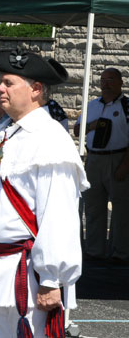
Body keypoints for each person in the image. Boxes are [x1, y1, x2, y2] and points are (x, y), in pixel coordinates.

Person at [0, 49, 88, 337]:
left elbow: (58, 215)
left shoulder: (50, 139)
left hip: (29, 275)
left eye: (8, 82)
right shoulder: (4, 132)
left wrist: (51, 278)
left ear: (35, 89)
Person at [74, 67, 129, 261]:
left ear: (120, 82)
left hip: (119, 158)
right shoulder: (92, 106)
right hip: (94, 159)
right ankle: (94, 250)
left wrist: (125, 165)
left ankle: (121, 252)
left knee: (122, 209)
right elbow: (77, 130)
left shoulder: (126, 106)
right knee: (93, 207)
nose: (106, 83)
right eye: (103, 79)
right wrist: (92, 126)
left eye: (111, 79)